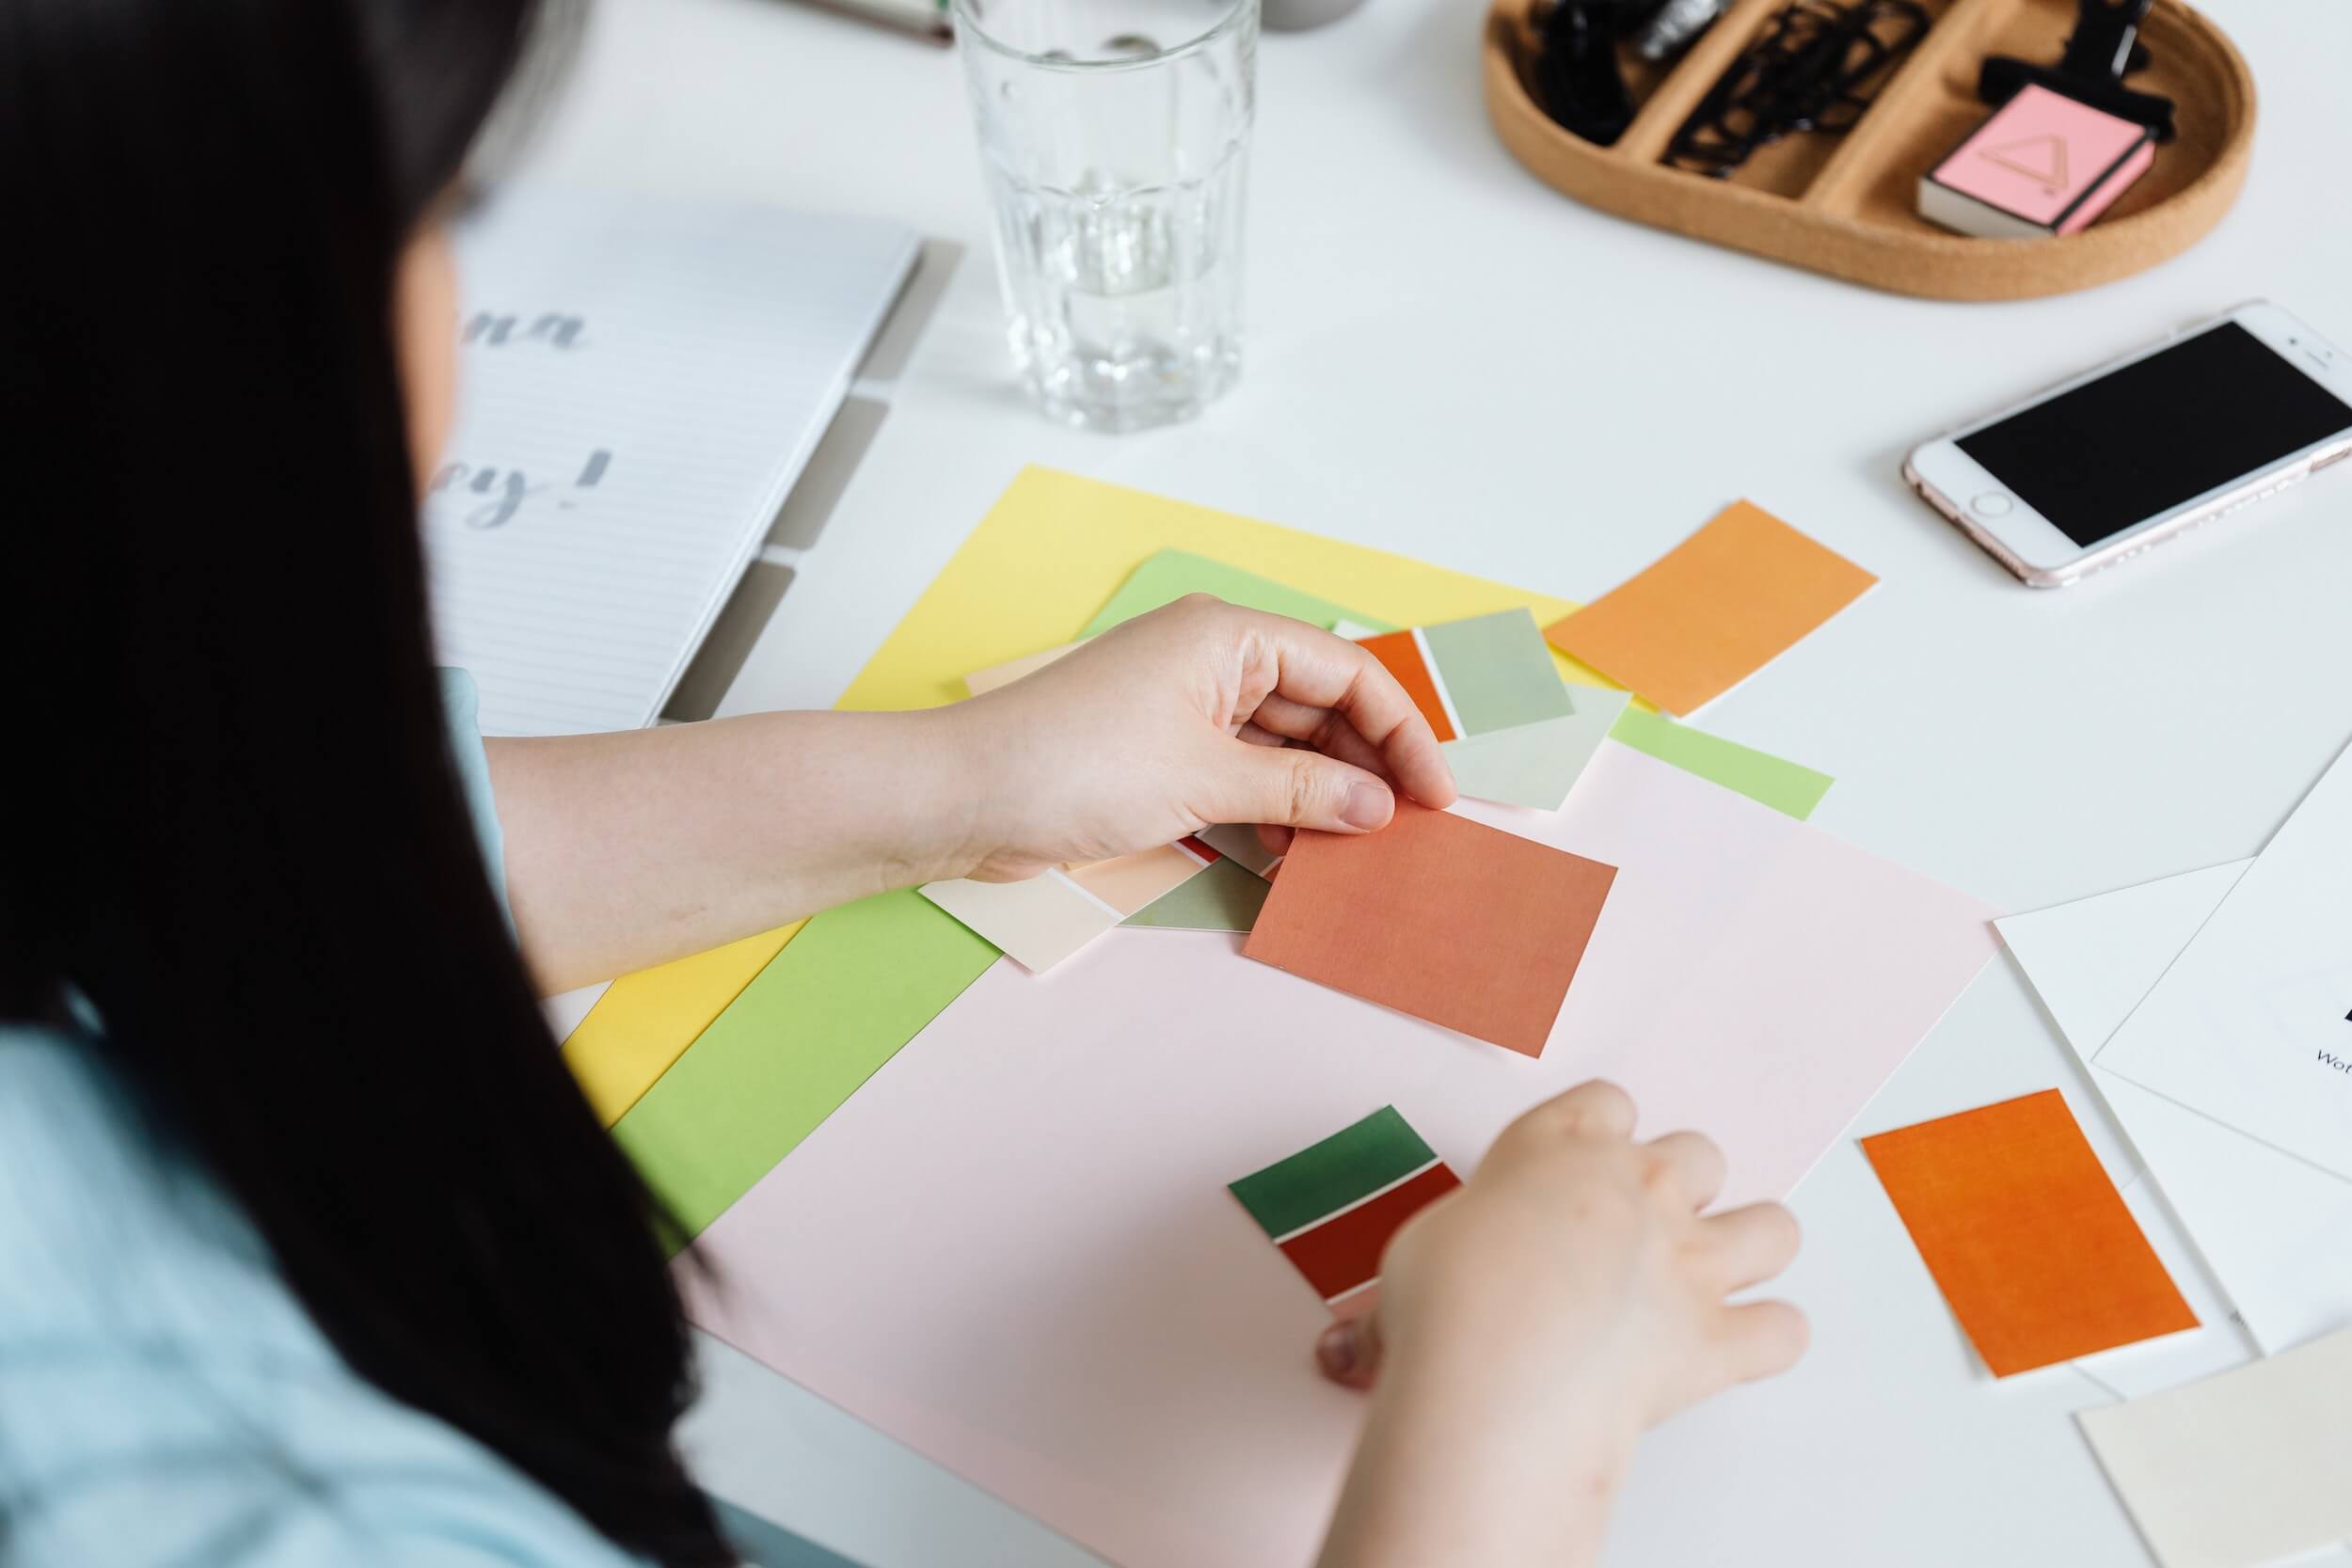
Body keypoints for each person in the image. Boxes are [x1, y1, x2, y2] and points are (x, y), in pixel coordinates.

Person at [0, 1, 1805, 1563]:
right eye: (437, 206)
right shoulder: (198, 1482)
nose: (460, 305)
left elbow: (233, 872)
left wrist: (968, 780)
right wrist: (1511, 1430)